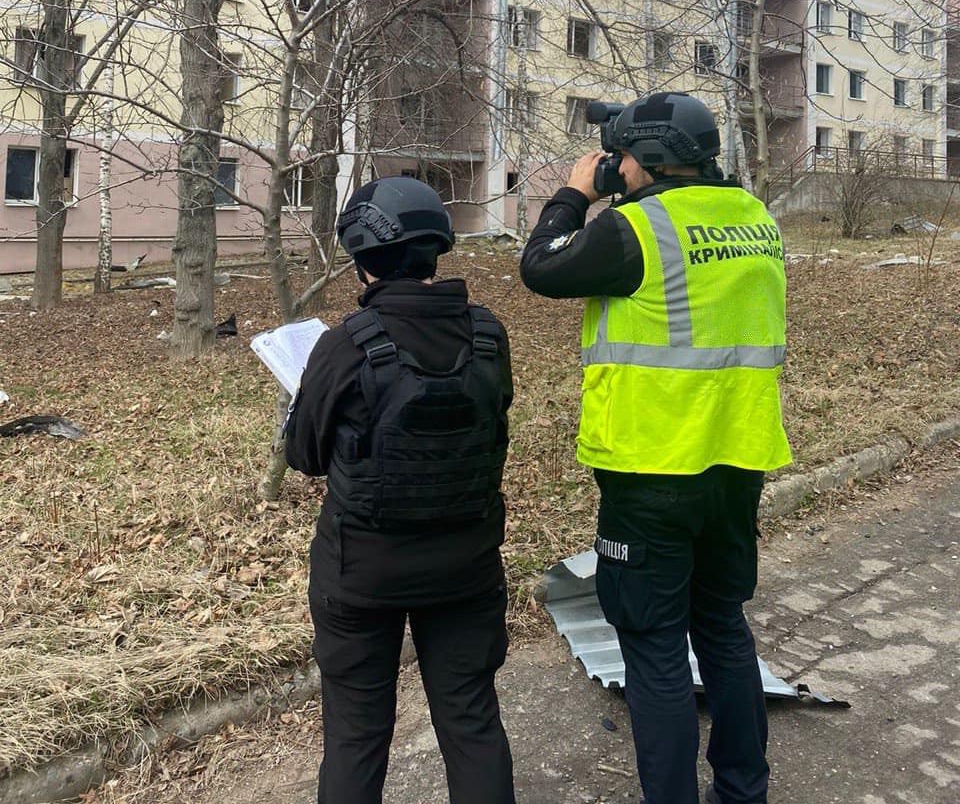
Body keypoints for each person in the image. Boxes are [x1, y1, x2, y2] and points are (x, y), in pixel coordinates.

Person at [520, 92, 791, 804]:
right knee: (723, 626)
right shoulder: (755, 219)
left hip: (651, 470)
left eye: (620, 155)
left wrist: (574, 195)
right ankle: (744, 791)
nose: (613, 166)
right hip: (738, 459)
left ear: (647, 157)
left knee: (654, 644)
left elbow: (541, 267)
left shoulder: (637, 230)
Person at [284, 176, 516, 804]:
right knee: (471, 721)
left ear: (362, 257)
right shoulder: (489, 335)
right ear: (435, 248)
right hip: (467, 566)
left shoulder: (343, 344)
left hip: (361, 572)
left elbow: (304, 456)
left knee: (356, 736)